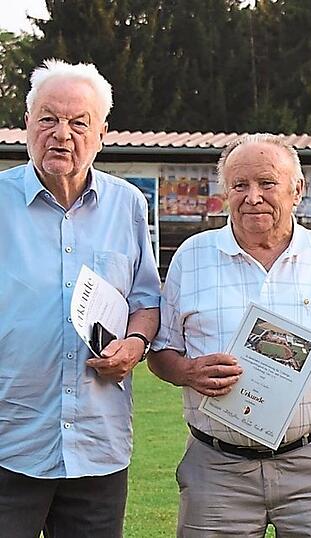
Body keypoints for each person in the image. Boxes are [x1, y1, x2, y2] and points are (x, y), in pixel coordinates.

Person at [149, 134, 311, 537]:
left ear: (298, 190)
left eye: (267, 183)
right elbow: (161, 352)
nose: (253, 197)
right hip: (218, 468)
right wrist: (188, 372)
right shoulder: (192, 257)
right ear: (225, 193)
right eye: (240, 185)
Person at [0, 59, 161, 537]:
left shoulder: (128, 203)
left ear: (102, 132)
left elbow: (145, 299)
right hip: (10, 441)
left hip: (97, 444)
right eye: (47, 118)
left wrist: (134, 344)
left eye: (78, 122)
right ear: (26, 123)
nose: (61, 134)